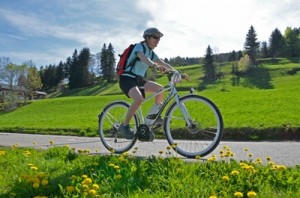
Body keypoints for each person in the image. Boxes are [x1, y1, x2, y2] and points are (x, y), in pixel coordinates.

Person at [118, 27, 188, 139]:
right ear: (147, 38)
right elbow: (143, 58)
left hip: (138, 79)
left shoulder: (152, 53)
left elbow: (163, 63)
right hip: (127, 78)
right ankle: (124, 126)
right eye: (155, 37)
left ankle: (154, 117)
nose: (158, 40)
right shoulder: (139, 47)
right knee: (139, 99)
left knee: (160, 89)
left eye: (159, 38)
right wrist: (155, 66)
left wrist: (178, 72)